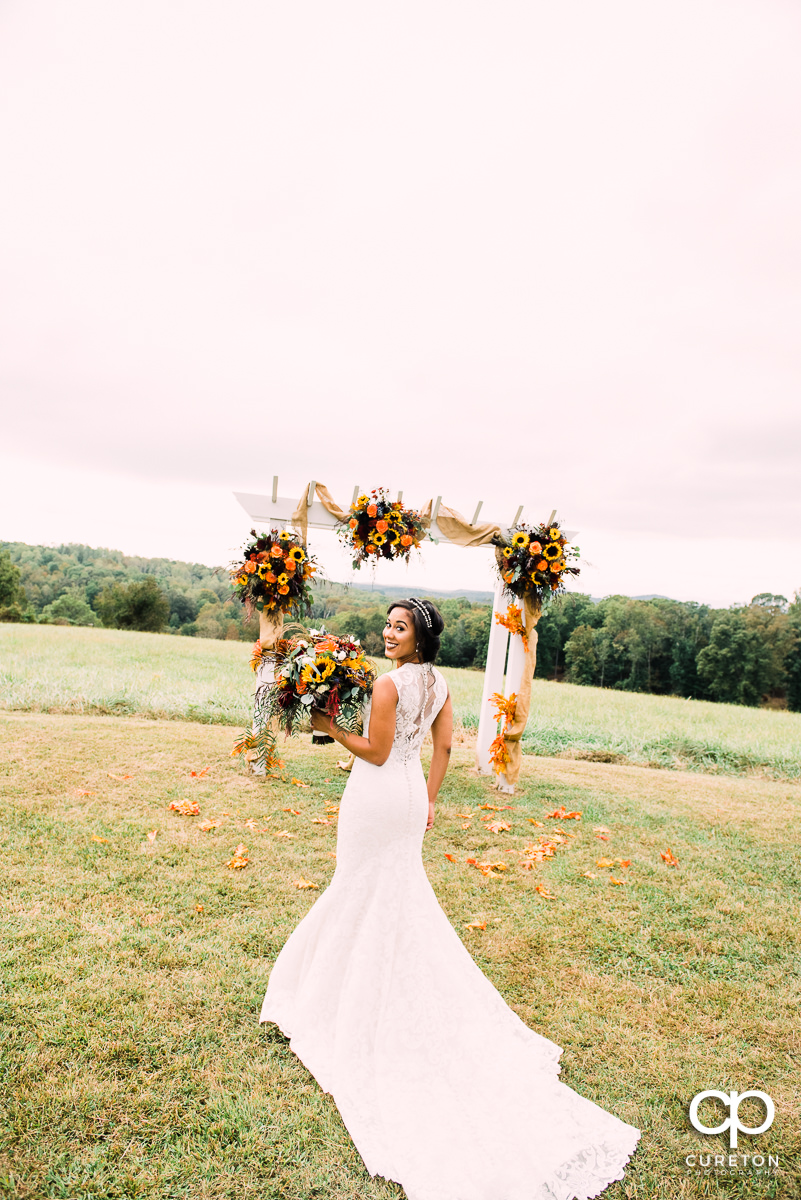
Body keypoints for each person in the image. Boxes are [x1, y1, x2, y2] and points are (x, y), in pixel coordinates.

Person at [260, 598, 640, 1200]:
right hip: (410, 798)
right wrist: (430, 799)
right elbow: (442, 750)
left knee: (357, 888)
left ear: (420, 637)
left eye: (400, 627)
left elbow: (378, 753)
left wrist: (330, 728)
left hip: (379, 797)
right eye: (387, 625)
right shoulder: (438, 684)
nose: (388, 634)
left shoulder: (387, 686)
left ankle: (337, 999)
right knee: (390, 895)